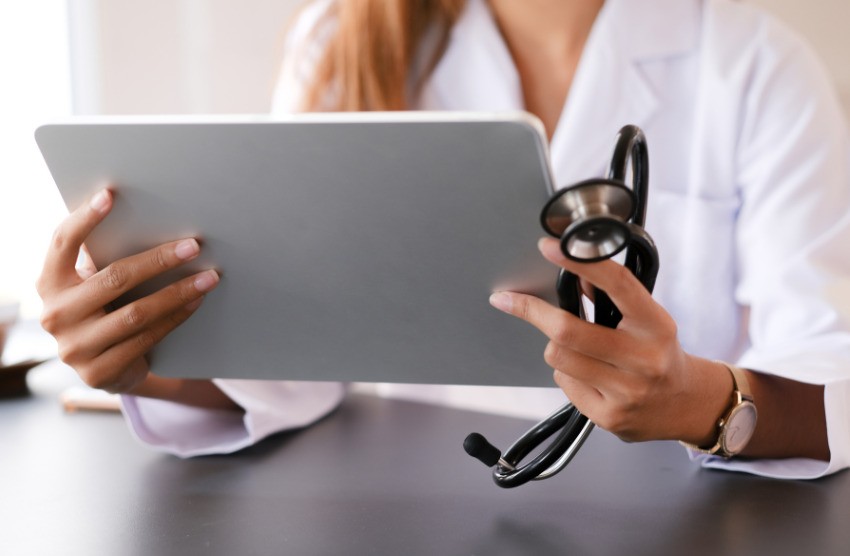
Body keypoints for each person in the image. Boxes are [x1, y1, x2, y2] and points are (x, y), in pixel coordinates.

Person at [36, 0, 850, 479]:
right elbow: (303, 360)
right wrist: (152, 366)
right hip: (397, 500)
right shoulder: (341, 40)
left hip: (678, 508)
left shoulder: (755, 67)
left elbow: (830, 376)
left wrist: (707, 405)